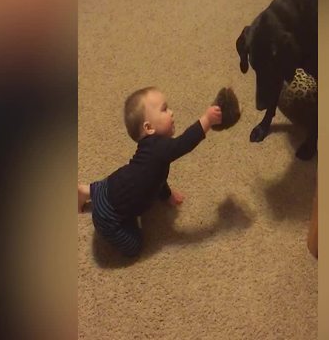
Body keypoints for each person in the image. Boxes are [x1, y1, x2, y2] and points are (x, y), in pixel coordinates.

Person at [78, 86, 222, 256]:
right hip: (108, 216)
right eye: (164, 109)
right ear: (148, 127)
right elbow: (184, 143)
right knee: (134, 246)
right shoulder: (159, 148)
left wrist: (167, 194)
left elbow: (156, 177)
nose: (172, 112)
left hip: (115, 185)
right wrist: (206, 120)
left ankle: (88, 190)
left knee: (125, 183)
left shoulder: (153, 152)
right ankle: (92, 196)